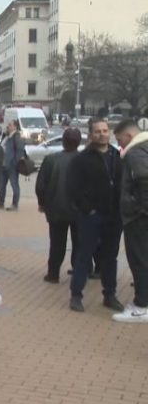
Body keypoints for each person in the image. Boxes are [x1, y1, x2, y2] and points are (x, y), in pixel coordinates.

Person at [67, 118, 125, 313]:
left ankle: (110, 294)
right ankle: (76, 295)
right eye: (98, 131)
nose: (102, 134)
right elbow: (73, 188)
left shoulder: (117, 156)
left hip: (113, 216)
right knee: (84, 256)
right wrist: (88, 209)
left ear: (110, 133)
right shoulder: (81, 159)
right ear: (91, 135)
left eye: (105, 131)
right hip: (90, 217)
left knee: (110, 257)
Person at [35, 128, 82, 283]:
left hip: (56, 208)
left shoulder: (51, 159)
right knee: (79, 242)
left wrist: (42, 203)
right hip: (80, 210)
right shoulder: (85, 159)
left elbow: (40, 185)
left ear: (63, 141)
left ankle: (53, 273)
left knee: (57, 243)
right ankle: (78, 271)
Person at [117, 123, 148, 322]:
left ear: (129, 135)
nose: (119, 144)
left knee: (139, 260)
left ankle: (141, 306)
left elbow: (144, 181)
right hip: (140, 214)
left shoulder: (135, 153)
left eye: (119, 139)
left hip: (138, 218)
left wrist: (139, 209)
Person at [0, 119, 24, 211]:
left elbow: (20, 150)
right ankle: (0, 203)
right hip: (3, 165)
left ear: (15, 127)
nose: (7, 126)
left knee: (14, 185)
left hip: (11, 166)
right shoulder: (7, 136)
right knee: (1, 185)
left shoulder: (16, 136)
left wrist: (14, 162)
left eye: (10, 125)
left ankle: (15, 204)